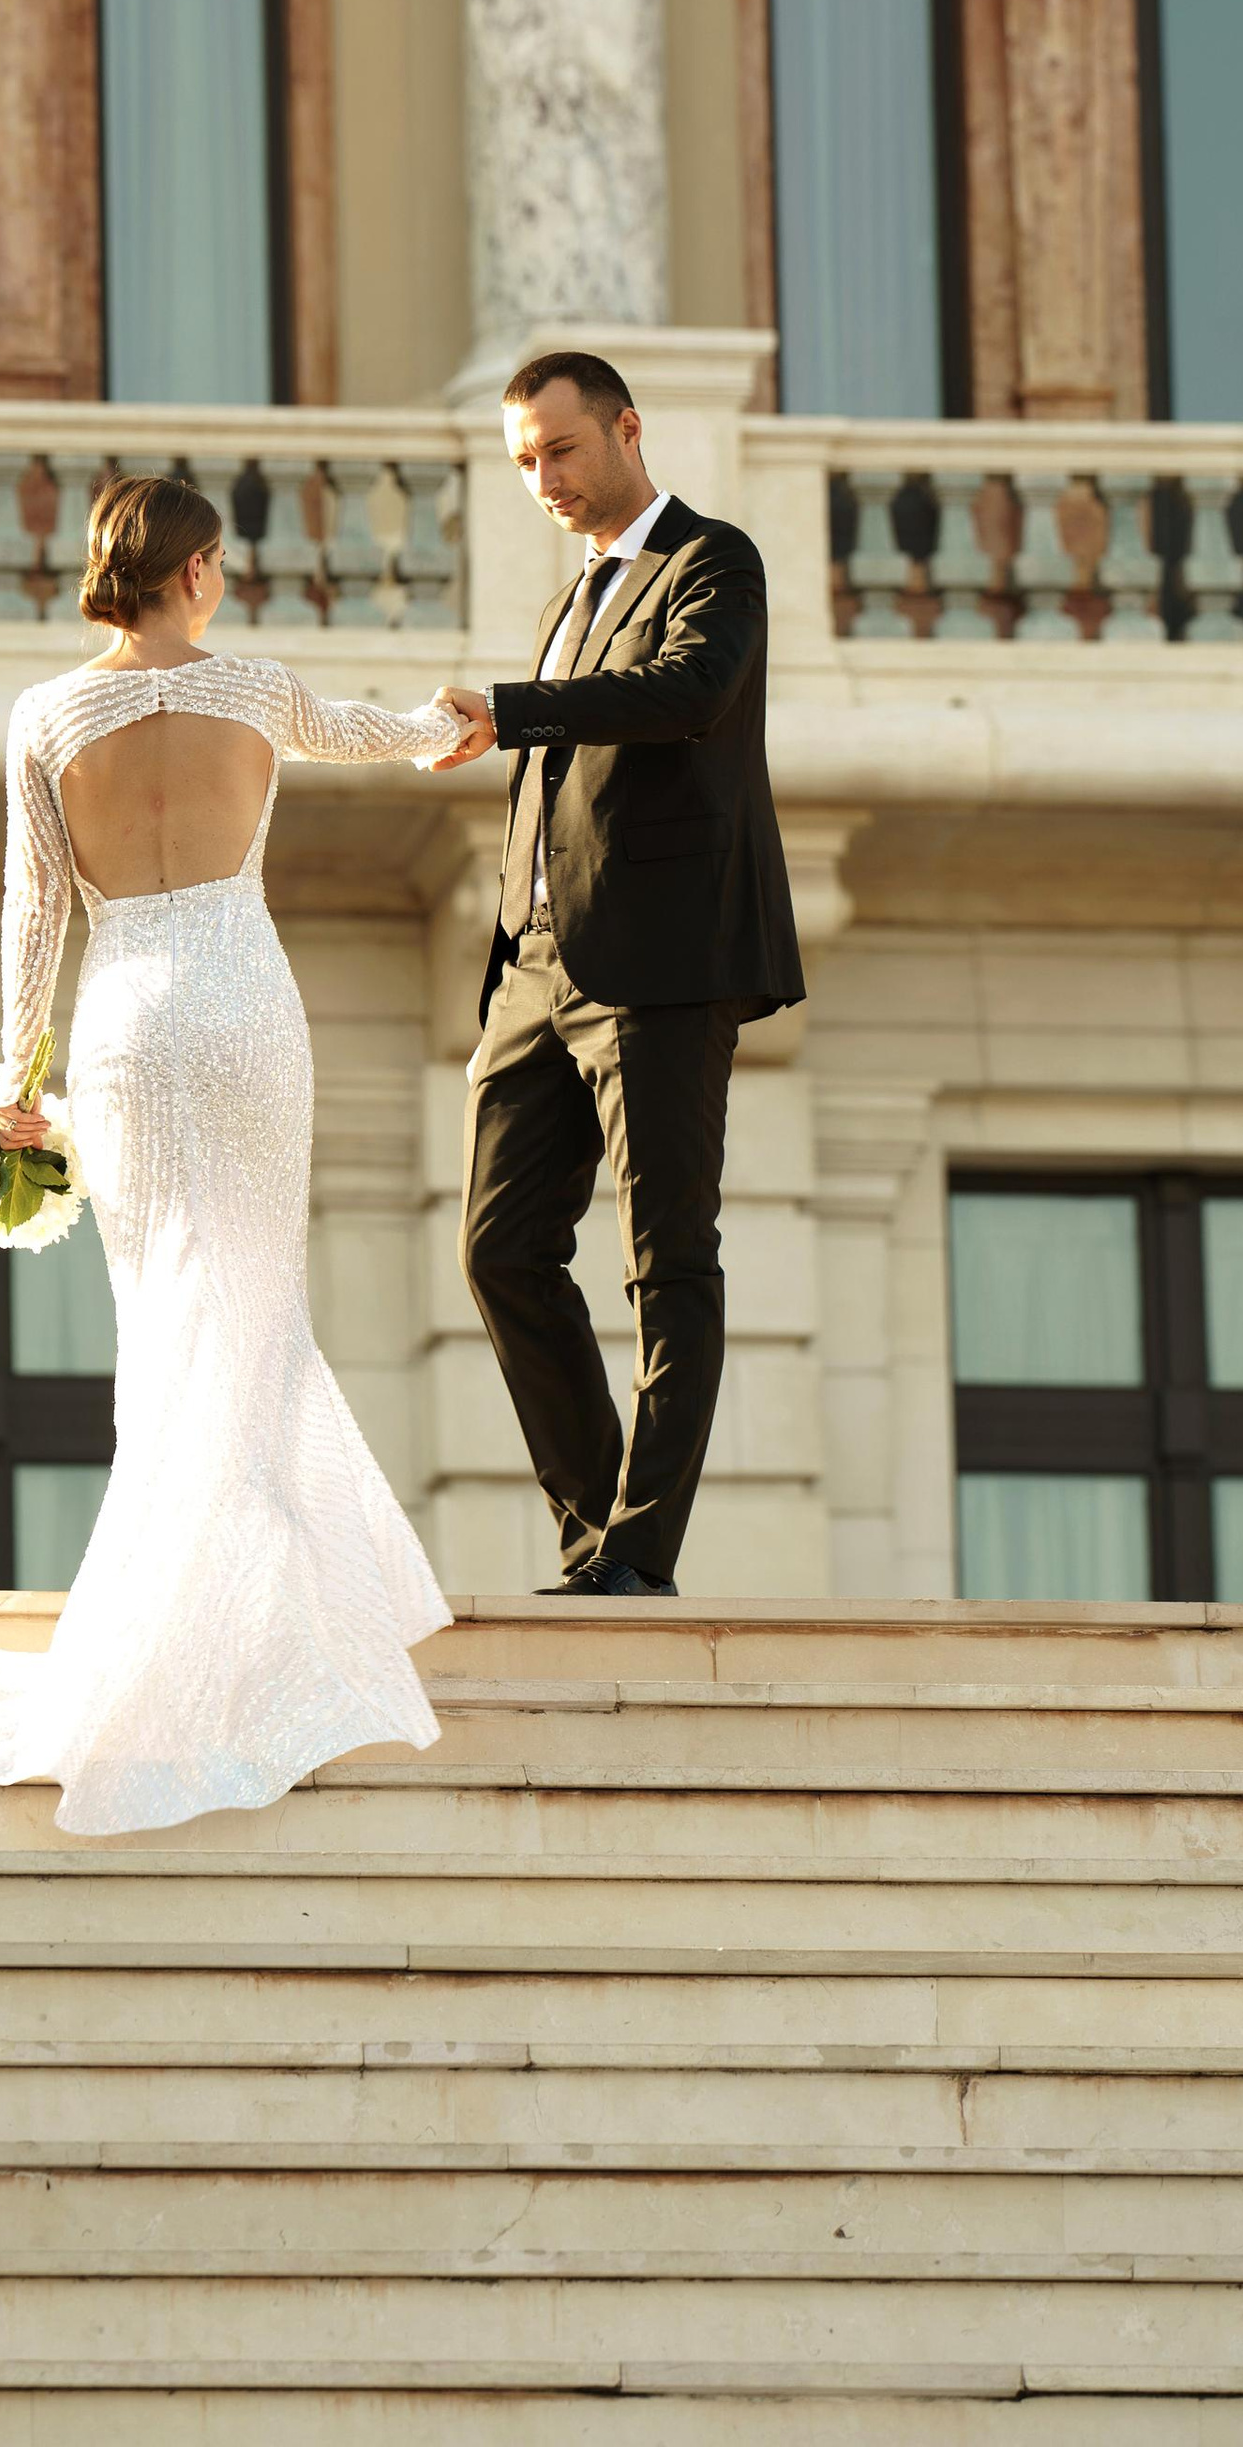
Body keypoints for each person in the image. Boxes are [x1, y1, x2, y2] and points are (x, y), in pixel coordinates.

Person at [0, 472, 471, 1836]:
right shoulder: (260, 689)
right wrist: (451, 723)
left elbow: (33, 914)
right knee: (256, 1314)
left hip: (125, 1027)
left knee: (162, 1325)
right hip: (240, 1010)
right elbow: (378, 732)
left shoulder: (47, 716)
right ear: (202, 569)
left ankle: (174, 1628)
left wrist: (15, 1083)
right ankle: (250, 1633)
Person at [435, 351, 804, 1599]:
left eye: (559, 449)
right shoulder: (567, 597)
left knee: (666, 1260)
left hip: (658, 966)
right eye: (522, 460)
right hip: (534, 969)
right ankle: (595, 1529)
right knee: (495, 1252)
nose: (541, 477)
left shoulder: (713, 561)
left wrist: (512, 707)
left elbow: (686, 695)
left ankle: (638, 1553)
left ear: (625, 429)